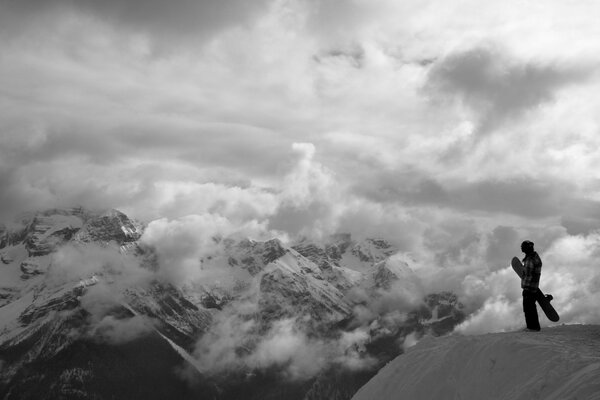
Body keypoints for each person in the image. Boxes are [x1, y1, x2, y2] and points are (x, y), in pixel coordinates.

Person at [521, 240, 542, 331]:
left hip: (529, 287)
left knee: (528, 309)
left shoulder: (530, 259)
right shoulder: (535, 257)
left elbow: (528, 273)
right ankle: (534, 326)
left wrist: (523, 272)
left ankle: (532, 327)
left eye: (523, 247)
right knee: (531, 308)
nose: (521, 248)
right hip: (533, 287)